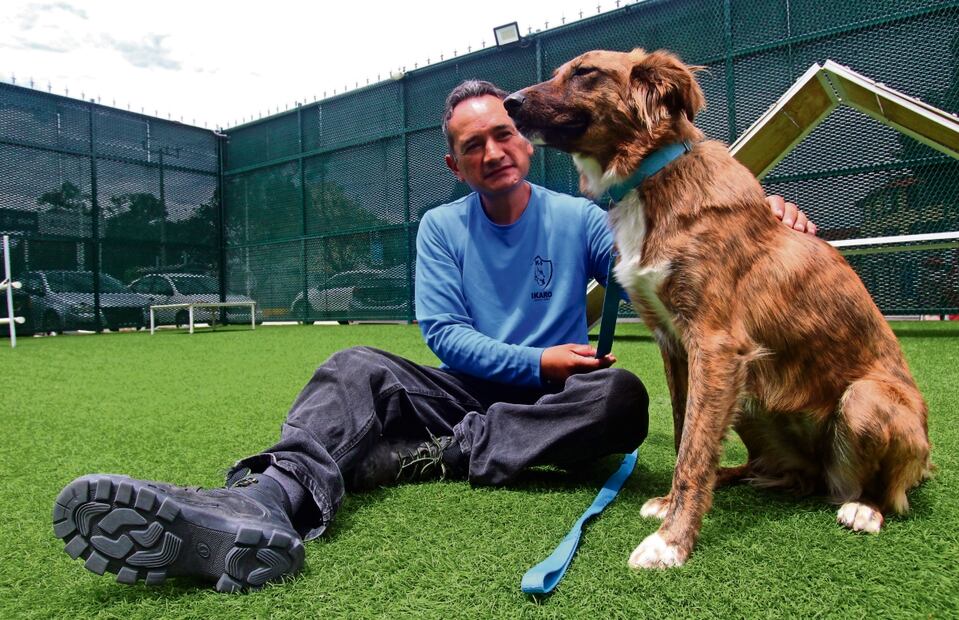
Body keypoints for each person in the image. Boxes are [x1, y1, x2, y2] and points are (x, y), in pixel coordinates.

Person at [52, 80, 816, 593]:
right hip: (463, 389)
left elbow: (671, 242)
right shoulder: (440, 228)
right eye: (473, 146)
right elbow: (444, 335)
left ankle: (417, 457)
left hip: (555, 396)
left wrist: (755, 214)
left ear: (525, 139)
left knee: (619, 396)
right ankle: (267, 502)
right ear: (456, 165)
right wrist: (531, 356)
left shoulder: (583, 217)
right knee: (354, 364)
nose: (492, 152)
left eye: (502, 135)